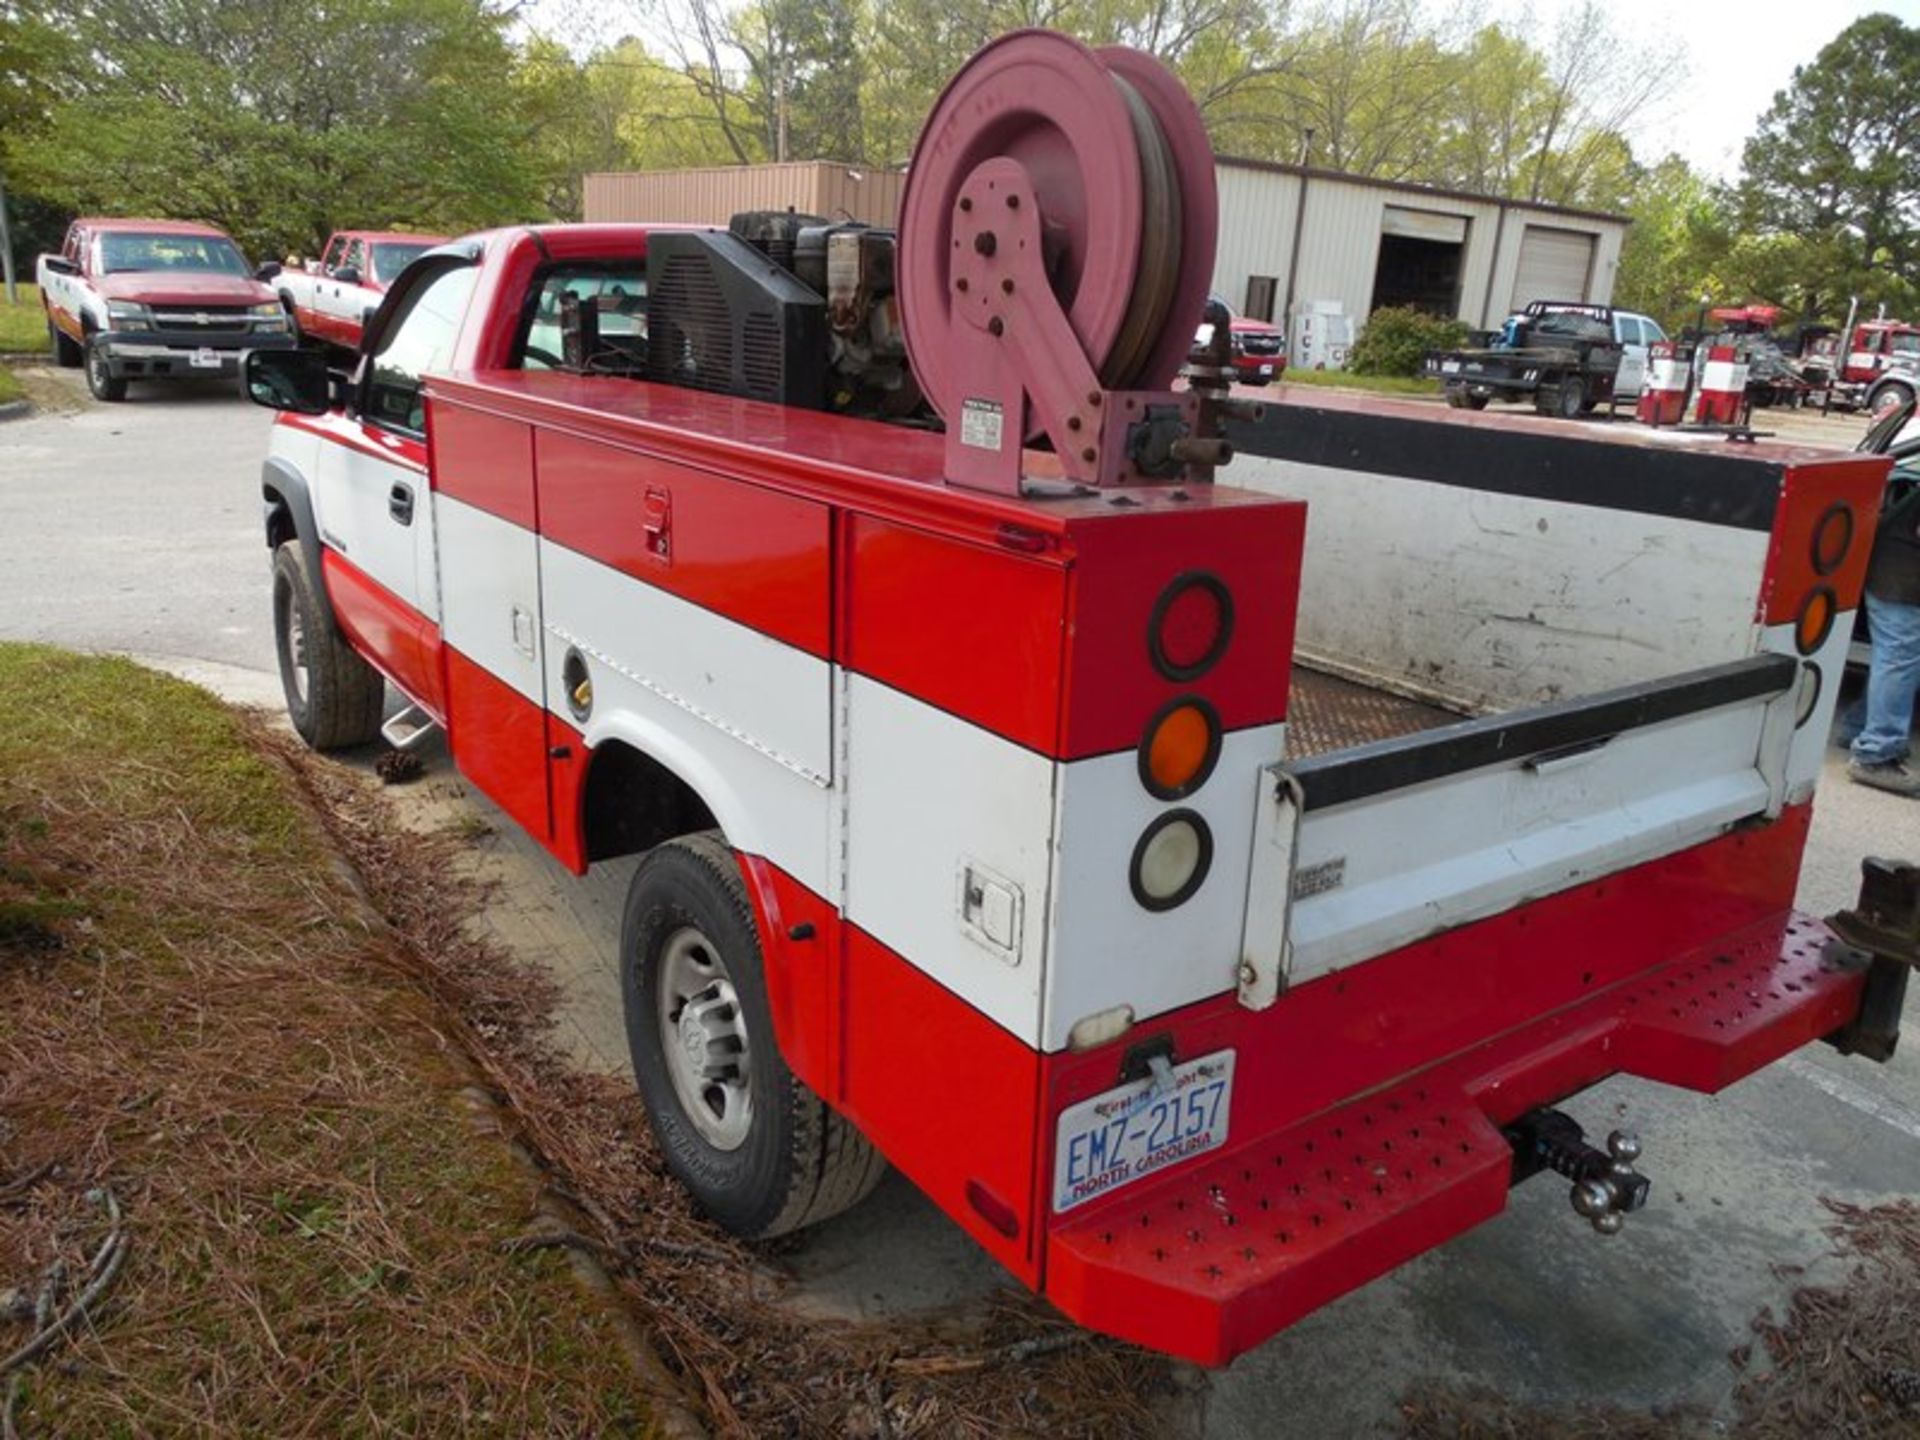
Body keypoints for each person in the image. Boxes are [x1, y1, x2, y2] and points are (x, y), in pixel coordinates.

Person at [1848, 468, 1920, 796]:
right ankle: (1875, 756)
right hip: (1900, 578)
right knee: (1899, 660)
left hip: (1893, 569)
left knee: (1894, 659)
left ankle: (1856, 726)